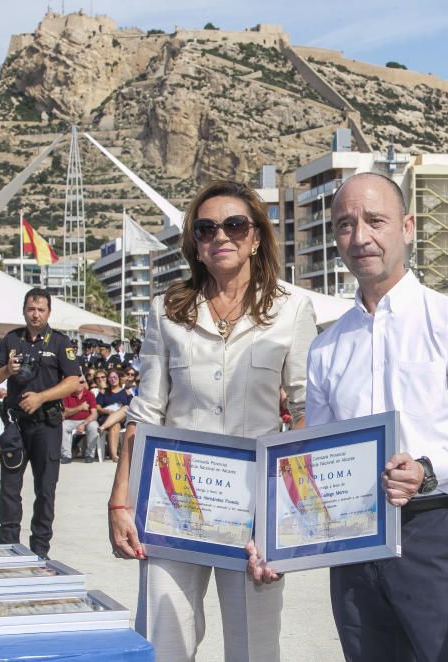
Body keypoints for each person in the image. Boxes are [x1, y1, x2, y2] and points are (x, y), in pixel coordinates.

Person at [249, 172, 448, 661]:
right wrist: (275, 534)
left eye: (376, 220)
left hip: (434, 529)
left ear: (408, 227)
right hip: (353, 543)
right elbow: (317, 456)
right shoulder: (328, 347)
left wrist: (428, 469)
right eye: (346, 225)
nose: (361, 237)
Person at [107, 179, 316, 662]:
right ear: (195, 245)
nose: (221, 236)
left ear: (257, 237)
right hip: (172, 501)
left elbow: (307, 414)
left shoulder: (292, 309)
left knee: (254, 647)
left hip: (254, 513)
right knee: (164, 640)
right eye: (206, 228)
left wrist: (285, 515)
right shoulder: (166, 311)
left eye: (235, 225)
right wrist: (121, 501)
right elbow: (145, 413)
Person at [0, 287, 81, 559]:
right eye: (31, 309)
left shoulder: (60, 343)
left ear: (48, 312)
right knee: (9, 487)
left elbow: (73, 382)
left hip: (46, 424)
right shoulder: (12, 339)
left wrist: (41, 397)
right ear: (24, 310)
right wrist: (6, 370)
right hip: (16, 425)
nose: (35, 314)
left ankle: (40, 549)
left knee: (45, 489)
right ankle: (8, 547)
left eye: (40, 309)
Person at [95, 369, 133, 462]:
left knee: (125, 408)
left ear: (119, 379)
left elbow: (132, 407)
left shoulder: (126, 392)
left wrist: (129, 395)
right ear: (108, 379)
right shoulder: (104, 392)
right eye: (110, 377)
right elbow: (97, 407)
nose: (113, 379)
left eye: (115, 377)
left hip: (122, 418)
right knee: (115, 425)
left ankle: (102, 428)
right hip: (106, 417)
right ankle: (114, 456)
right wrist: (106, 411)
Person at [61, 374, 100, 464]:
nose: (80, 384)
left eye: (82, 382)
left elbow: (94, 414)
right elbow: (64, 413)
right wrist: (80, 407)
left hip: (87, 420)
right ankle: (66, 455)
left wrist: (84, 424)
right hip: (70, 420)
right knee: (62, 426)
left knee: (94, 426)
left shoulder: (89, 394)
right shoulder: (67, 394)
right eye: (77, 382)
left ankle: (90, 454)